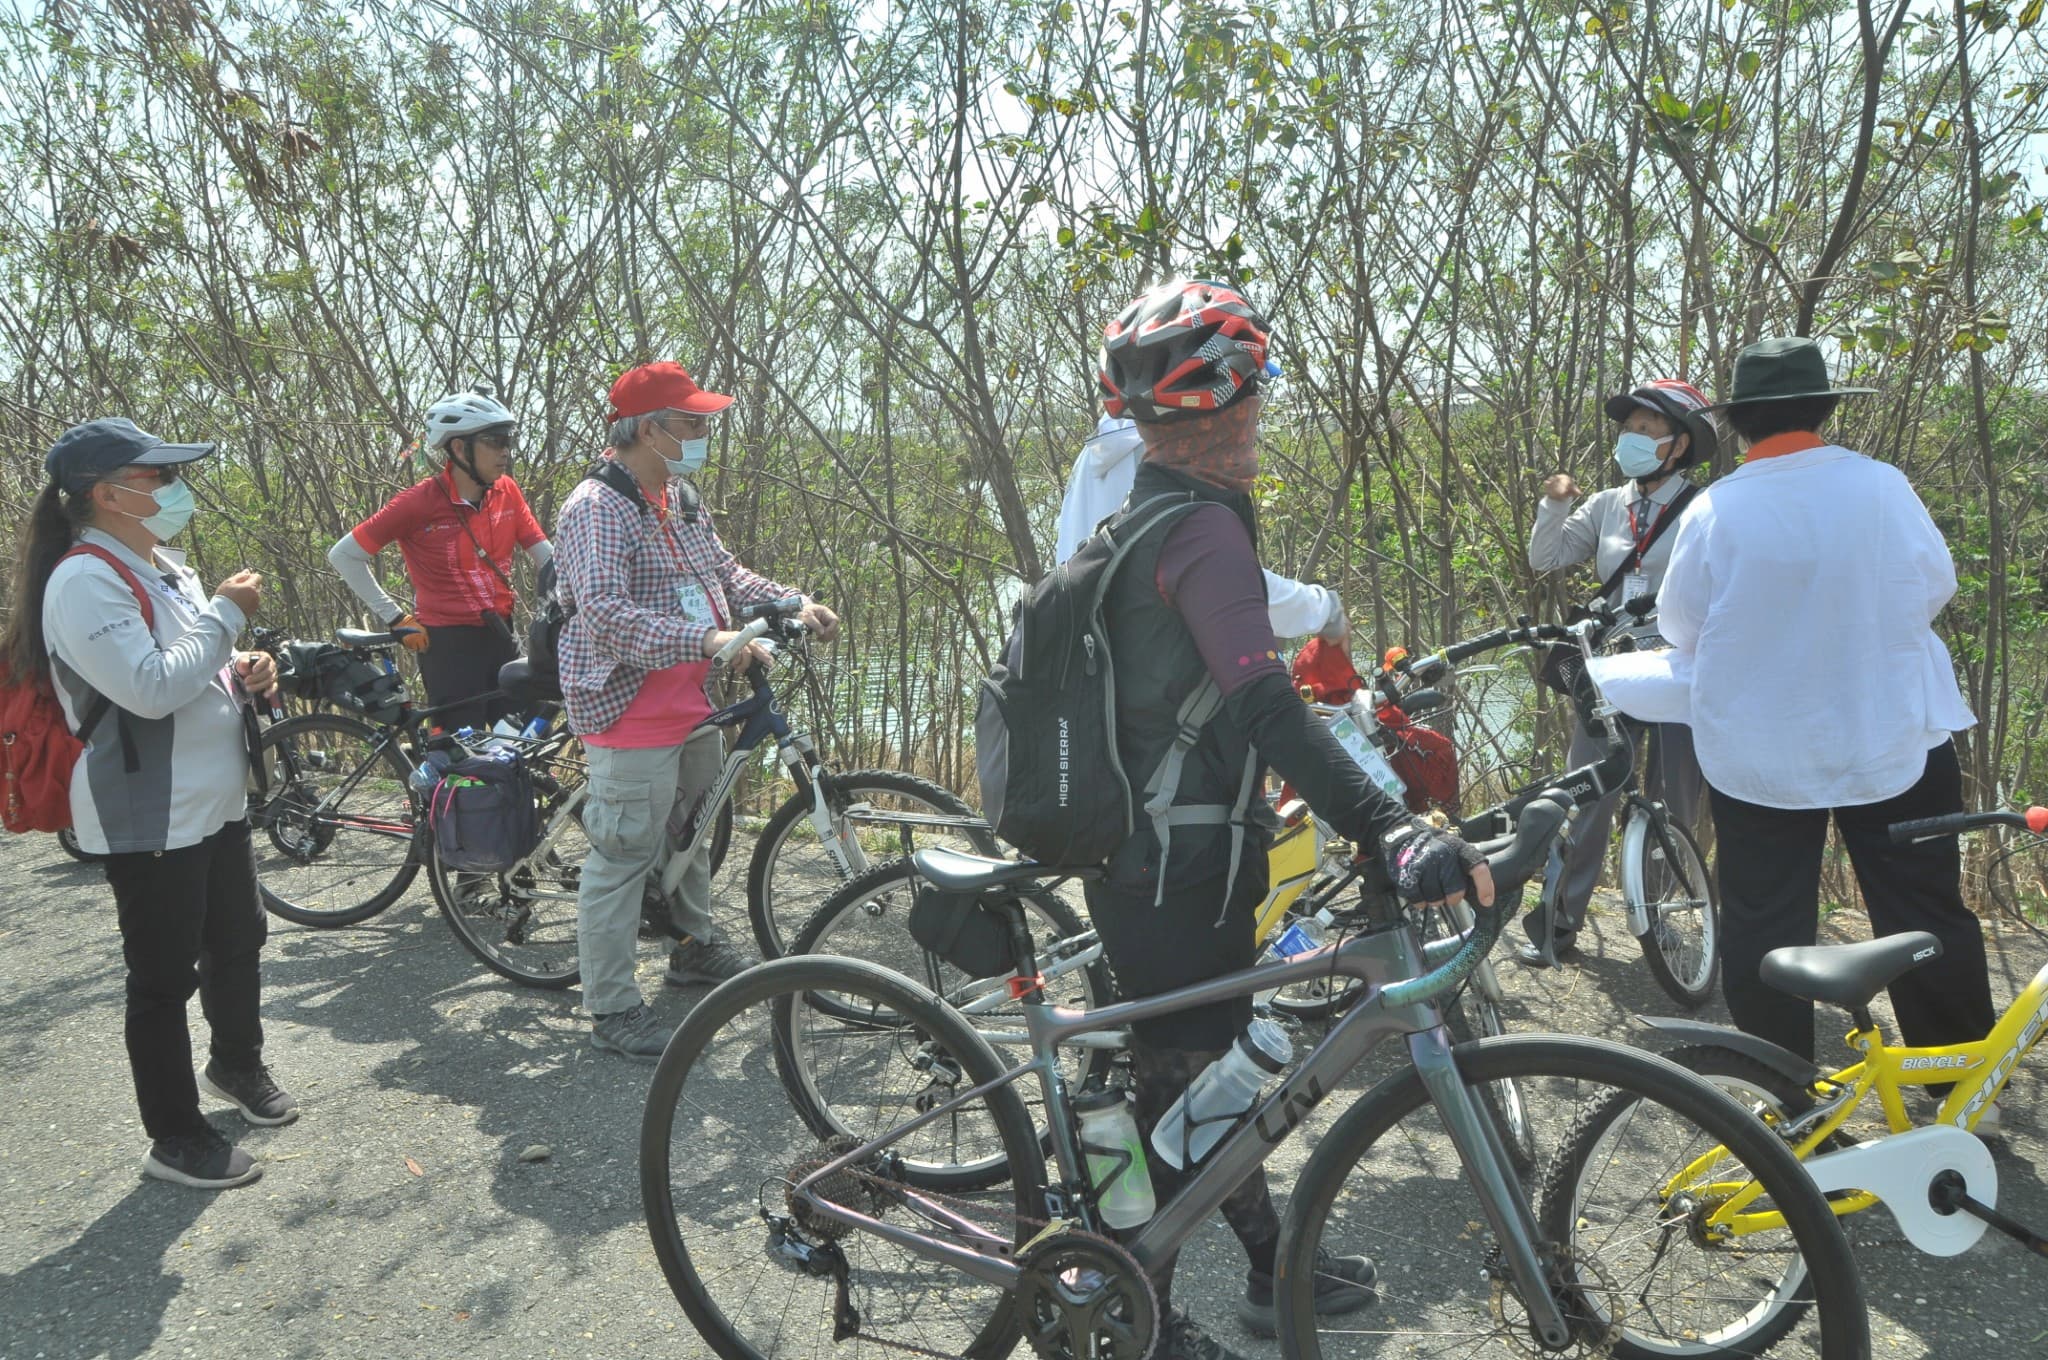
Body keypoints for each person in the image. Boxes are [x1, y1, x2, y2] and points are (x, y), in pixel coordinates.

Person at [1089, 281, 1492, 1359]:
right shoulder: (1200, 532)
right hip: (1171, 866)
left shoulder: (1151, 508)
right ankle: (1127, 1315)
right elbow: (1261, 699)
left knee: (1208, 1075)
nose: (1265, 408)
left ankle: (1270, 1268)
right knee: (1175, 1100)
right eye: (1256, 387)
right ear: (1217, 398)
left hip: (1173, 851)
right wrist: (1388, 823)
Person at [1656, 336, 1997, 1080]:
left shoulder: (1716, 509)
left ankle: (1782, 1089)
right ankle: (1958, 1078)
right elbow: (1934, 586)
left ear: (1740, 422)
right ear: (1825, 410)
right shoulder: (1881, 486)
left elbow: (1679, 625)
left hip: (1760, 748)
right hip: (1891, 730)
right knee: (1923, 908)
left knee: (1764, 920)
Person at [1, 418, 297, 1189]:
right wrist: (228, 615)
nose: (173, 489)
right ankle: (175, 1138)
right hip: (147, 812)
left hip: (215, 797)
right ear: (106, 495)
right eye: (156, 477)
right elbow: (150, 687)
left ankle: (237, 1064)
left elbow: (190, 662)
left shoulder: (163, 564)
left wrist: (244, 664)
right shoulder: (82, 580)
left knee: (239, 939)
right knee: (163, 977)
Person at [556, 361, 839, 1060]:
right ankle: (613, 1008)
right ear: (647, 430)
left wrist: (786, 601)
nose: (704, 432)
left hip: (693, 702)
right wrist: (708, 637)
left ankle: (691, 945)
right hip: (627, 711)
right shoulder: (594, 508)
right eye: (691, 422)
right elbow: (605, 615)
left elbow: (723, 571)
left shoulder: (676, 496)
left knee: (692, 836)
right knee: (621, 858)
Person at [1521, 378, 1715, 964]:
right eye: (1628, 427)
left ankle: (1669, 927)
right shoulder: (1608, 503)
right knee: (1587, 794)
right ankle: (1558, 924)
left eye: (1646, 428)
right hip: (1613, 669)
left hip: (1682, 671)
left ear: (1679, 444)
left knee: (1677, 800)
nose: (1631, 437)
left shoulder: (1707, 507)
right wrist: (1554, 503)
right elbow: (1546, 557)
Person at [328, 388, 552, 734]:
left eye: (508, 439)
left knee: (526, 741)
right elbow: (343, 555)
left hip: (501, 633)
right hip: (448, 646)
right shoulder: (419, 503)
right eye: (494, 440)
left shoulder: (507, 490)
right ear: (459, 448)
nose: (505, 451)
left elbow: (545, 556)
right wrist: (395, 617)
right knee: (462, 755)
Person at [1054, 400, 1351, 641]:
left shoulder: (1101, 449)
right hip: (1141, 677)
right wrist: (1324, 609)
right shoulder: (1158, 456)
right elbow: (1222, 578)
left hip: (1091, 656)